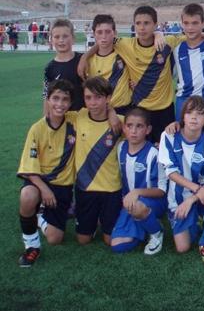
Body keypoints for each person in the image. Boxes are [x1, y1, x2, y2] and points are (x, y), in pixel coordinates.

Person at [79, 6, 181, 144]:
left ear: (155, 25)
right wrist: (84, 57)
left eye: (147, 23)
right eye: (138, 23)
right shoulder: (125, 45)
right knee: (138, 151)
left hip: (165, 110)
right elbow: (104, 42)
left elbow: (192, 36)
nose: (142, 27)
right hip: (139, 109)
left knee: (166, 152)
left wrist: (159, 34)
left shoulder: (167, 42)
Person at [16, 80, 77, 267]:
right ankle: (32, 247)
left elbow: (99, 112)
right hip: (39, 182)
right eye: (55, 98)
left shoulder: (75, 120)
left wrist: (113, 114)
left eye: (65, 99)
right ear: (48, 100)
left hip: (63, 186)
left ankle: (39, 216)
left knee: (55, 239)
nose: (60, 104)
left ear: (70, 103)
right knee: (27, 195)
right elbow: (29, 169)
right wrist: (44, 190)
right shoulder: (37, 129)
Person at [159, 96, 204, 262]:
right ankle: (196, 222)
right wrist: (195, 191)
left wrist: (192, 199)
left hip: (200, 196)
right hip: (179, 199)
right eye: (189, 113)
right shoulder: (169, 136)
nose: (194, 117)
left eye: (200, 114)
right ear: (183, 117)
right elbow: (171, 173)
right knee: (182, 248)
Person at [74, 77, 123, 246]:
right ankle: (92, 223)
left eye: (98, 97)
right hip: (85, 187)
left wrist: (112, 113)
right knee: (83, 240)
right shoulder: (78, 117)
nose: (92, 102)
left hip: (111, 189)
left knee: (110, 241)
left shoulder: (120, 123)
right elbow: (53, 112)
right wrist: (111, 111)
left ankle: (104, 219)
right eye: (88, 98)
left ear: (108, 98)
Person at [110, 108, 167, 255]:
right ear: (124, 128)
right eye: (129, 126)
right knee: (117, 245)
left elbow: (161, 190)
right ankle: (146, 223)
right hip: (129, 202)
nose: (133, 131)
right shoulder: (120, 147)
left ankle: (156, 232)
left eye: (139, 126)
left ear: (148, 130)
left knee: (137, 206)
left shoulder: (155, 154)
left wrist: (136, 192)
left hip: (155, 201)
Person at [173, 3, 204, 122]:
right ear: (182, 24)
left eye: (195, 23)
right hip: (184, 101)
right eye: (186, 23)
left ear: (203, 23)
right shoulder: (176, 49)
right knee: (184, 137)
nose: (190, 28)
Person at [86, 14, 132, 115]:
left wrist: (158, 33)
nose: (103, 36)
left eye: (108, 32)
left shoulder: (125, 53)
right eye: (99, 32)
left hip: (124, 110)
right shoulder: (88, 61)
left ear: (114, 33)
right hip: (100, 112)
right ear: (93, 33)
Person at [44, 19, 84, 112]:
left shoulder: (83, 60)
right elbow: (46, 96)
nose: (61, 40)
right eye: (57, 37)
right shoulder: (49, 68)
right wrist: (47, 120)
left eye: (65, 36)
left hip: (83, 118)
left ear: (73, 38)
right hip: (62, 118)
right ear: (51, 40)